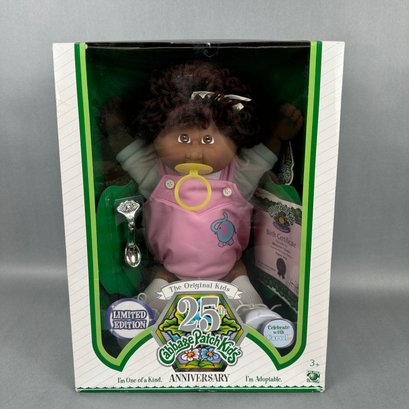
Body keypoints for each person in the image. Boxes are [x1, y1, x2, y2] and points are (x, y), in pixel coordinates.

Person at [101, 61, 303, 324]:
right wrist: (115, 128)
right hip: (169, 272)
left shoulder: (237, 175)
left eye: (208, 140)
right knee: (154, 292)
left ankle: (256, 318)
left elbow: (262, 158)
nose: (194, 152)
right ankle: (142, 320)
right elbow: (129, 155)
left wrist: (277, 135)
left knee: (244, 289)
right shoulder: (157, 175)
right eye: (183, 139)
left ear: (236, 138)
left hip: (229, 271)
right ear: (155, 133)